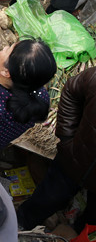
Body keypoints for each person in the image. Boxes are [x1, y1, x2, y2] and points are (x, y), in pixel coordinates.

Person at [16, 66, 96, 231]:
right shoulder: (94, 77)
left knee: (90, 222)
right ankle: (21, 223)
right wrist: (66, 137)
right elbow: (72, 91)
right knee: (48, 197)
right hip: (74, 158)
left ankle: (78, 234)